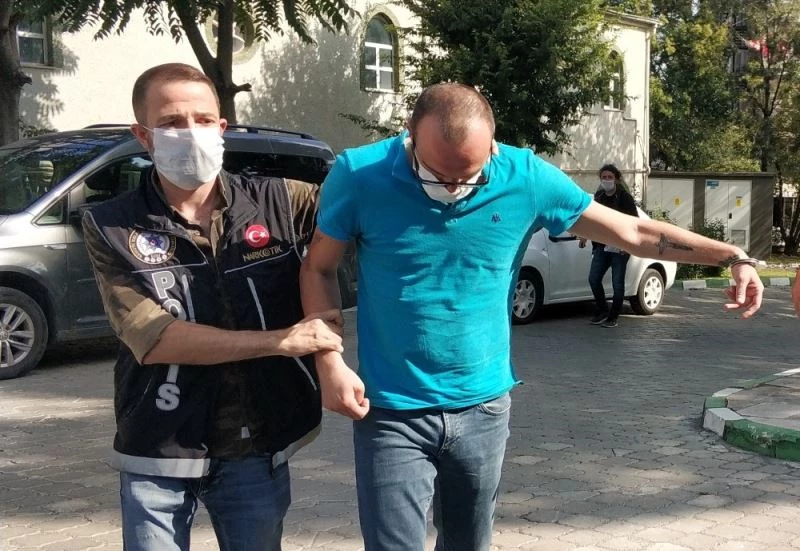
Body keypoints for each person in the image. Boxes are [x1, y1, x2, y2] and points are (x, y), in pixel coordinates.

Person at [299, 83, 764, 551]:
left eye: (469, 176)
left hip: (483, 410)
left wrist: (732, 256)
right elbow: (318, 268)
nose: (454, 188)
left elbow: (634, 232)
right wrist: (329, 359)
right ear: (409, 135)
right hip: (390, 411)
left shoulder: (525, 177)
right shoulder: (360, 174)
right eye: (438, 175)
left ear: (493, 146)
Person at [82, 62, 343, 551]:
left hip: (256, 443)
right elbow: (156, 338)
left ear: (222, 127)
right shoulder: (112, 224)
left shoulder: (283, 201)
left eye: (203, 120)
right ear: (143, 136)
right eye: (172, 122)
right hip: (158, 442)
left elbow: (360, 202)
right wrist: (281, 341)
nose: (191, 132)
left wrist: (425, 152)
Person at [578, 163, 639, 328]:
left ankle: (613, 317)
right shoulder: (599, 197)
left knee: (617, 284)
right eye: (603, 177)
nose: (606, 180)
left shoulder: (624, 198)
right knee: (593, 279)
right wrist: (585, 235)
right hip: (602, 246)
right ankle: (603, 310)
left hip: (620, 248)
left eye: (609, 177)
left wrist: (626, 244)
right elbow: (593, 219)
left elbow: (634, 223)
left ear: (616, 179)